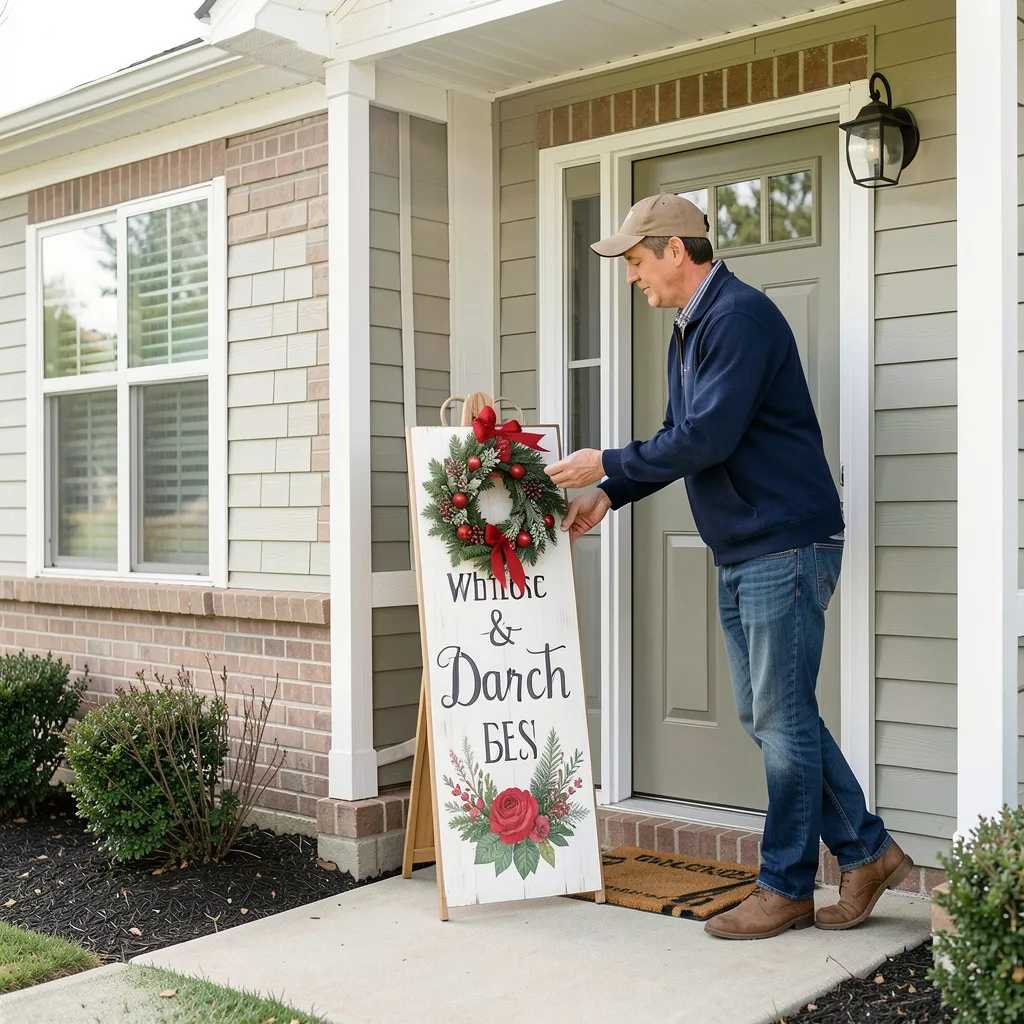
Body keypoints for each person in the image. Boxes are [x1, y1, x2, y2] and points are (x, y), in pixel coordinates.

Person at [544, 193, 913, 940]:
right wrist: (612, 494)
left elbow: (707, 436)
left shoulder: (737, 319)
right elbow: (683, 435)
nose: (630, 276)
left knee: (780, 718)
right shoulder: (695, 327)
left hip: (786, 544)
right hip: (752, 546)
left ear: (676, 250)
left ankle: (784, 886)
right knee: (773, 716)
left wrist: (604, 462)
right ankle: (867, 853)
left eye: (637, 260)